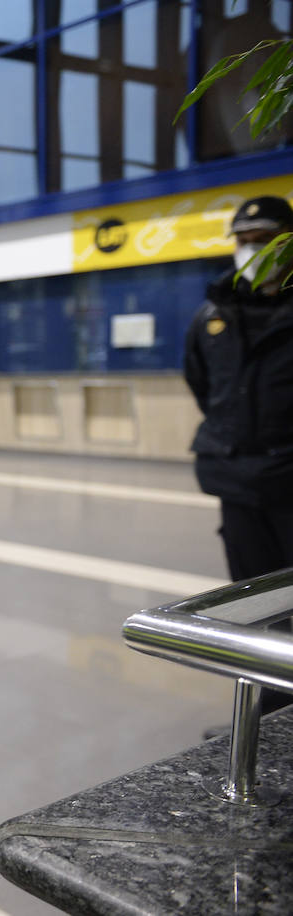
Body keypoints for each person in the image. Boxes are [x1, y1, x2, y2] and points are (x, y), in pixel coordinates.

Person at [185, 194, 293, 718]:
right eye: (243, 240)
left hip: (290, 482)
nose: (251, 249)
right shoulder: (213, 313)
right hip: (237, 482)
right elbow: (204, 385)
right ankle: (265, 716)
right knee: (253, 606)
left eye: (264, 239)